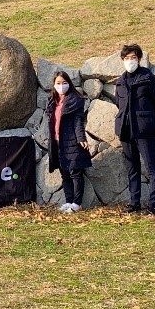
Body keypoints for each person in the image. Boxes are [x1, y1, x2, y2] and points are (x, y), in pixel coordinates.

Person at [114, 44, 155, 215]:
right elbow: (119, 104)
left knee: (152, 168)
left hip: (144, 131)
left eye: (133, 57)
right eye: (127, 58)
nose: (130, 61)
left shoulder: (148, 78)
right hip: (126, 131)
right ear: (123, 60)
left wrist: (148, 121)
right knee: (132, 168)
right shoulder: (120, 82)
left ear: (139, 59)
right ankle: (134, 202)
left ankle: (152, 205)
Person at [45, 71, 92, 213]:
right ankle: (68, 201)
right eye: (58, 83)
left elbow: (78, 121)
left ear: (69, 83)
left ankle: (77, 203)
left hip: (71, 141)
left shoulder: (75, 100)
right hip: (57, 143)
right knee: (64, 173)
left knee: (75, 173)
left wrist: (81, 138)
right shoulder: (52, 101)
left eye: (64, 83)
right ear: (54, 85)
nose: (61, 86)